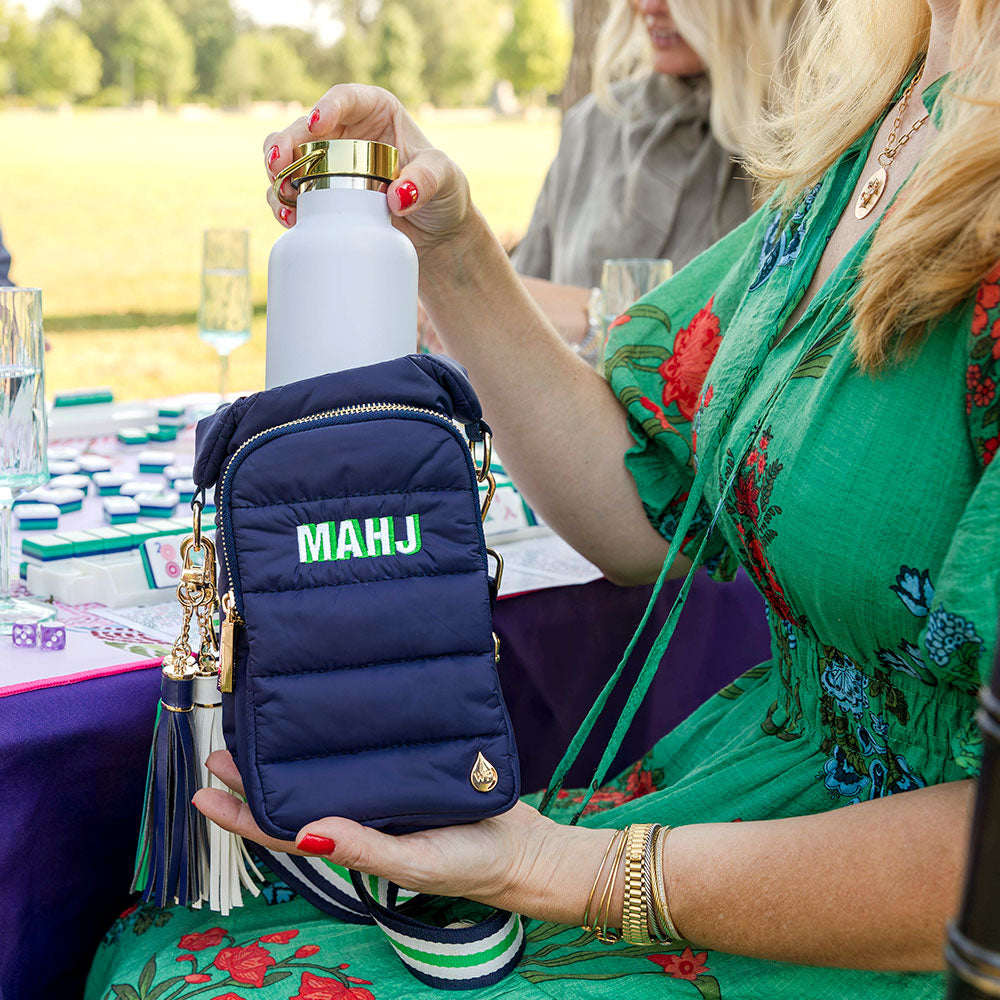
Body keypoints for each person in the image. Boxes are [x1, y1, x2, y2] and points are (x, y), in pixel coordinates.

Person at [88, 0, 999, 997]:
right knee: (177, 941)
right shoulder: (886, 118)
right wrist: (450, 243)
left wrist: (564, 868)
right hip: (749, 810)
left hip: (897, 916)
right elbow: (649, 516)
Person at [422, 0, 805, 355]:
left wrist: (588, 316)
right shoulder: (593, 125)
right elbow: (511, 301)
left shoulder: (815, 147)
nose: (647, 5)